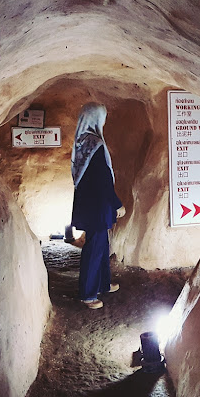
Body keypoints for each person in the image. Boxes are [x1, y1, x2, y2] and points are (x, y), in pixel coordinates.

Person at [69, 103, 126, 309]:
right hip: (99, 205)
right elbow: (103, 180)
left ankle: (102, 283)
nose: (104, 121)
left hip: (88, 203)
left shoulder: (82, 142)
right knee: (94, 248)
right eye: (103, 117)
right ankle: (88, 294)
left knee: (101, 244)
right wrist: (117, 203)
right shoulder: (97, 144)